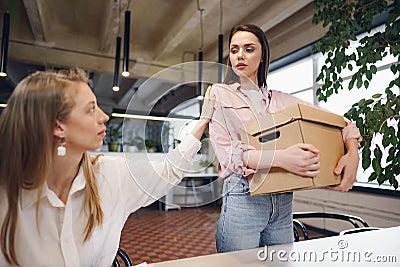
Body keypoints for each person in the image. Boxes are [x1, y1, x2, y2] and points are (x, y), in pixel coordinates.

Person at [0, 68, 214, 266]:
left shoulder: (111, 175)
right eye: (91, 109)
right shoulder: (6, 200)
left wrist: (203, 121)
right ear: (58, 126)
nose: (104, 116)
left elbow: (169, 170)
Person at [208, 24, 361, 253]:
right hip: (243, 197)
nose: (240, 55)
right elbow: (229, 157)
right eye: (234, 50)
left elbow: (343, 123)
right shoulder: (219, 94)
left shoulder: (282, 101)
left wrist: (352, 153)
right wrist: (282, 158)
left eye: (249, 49)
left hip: (282, 202)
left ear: (262, 57)